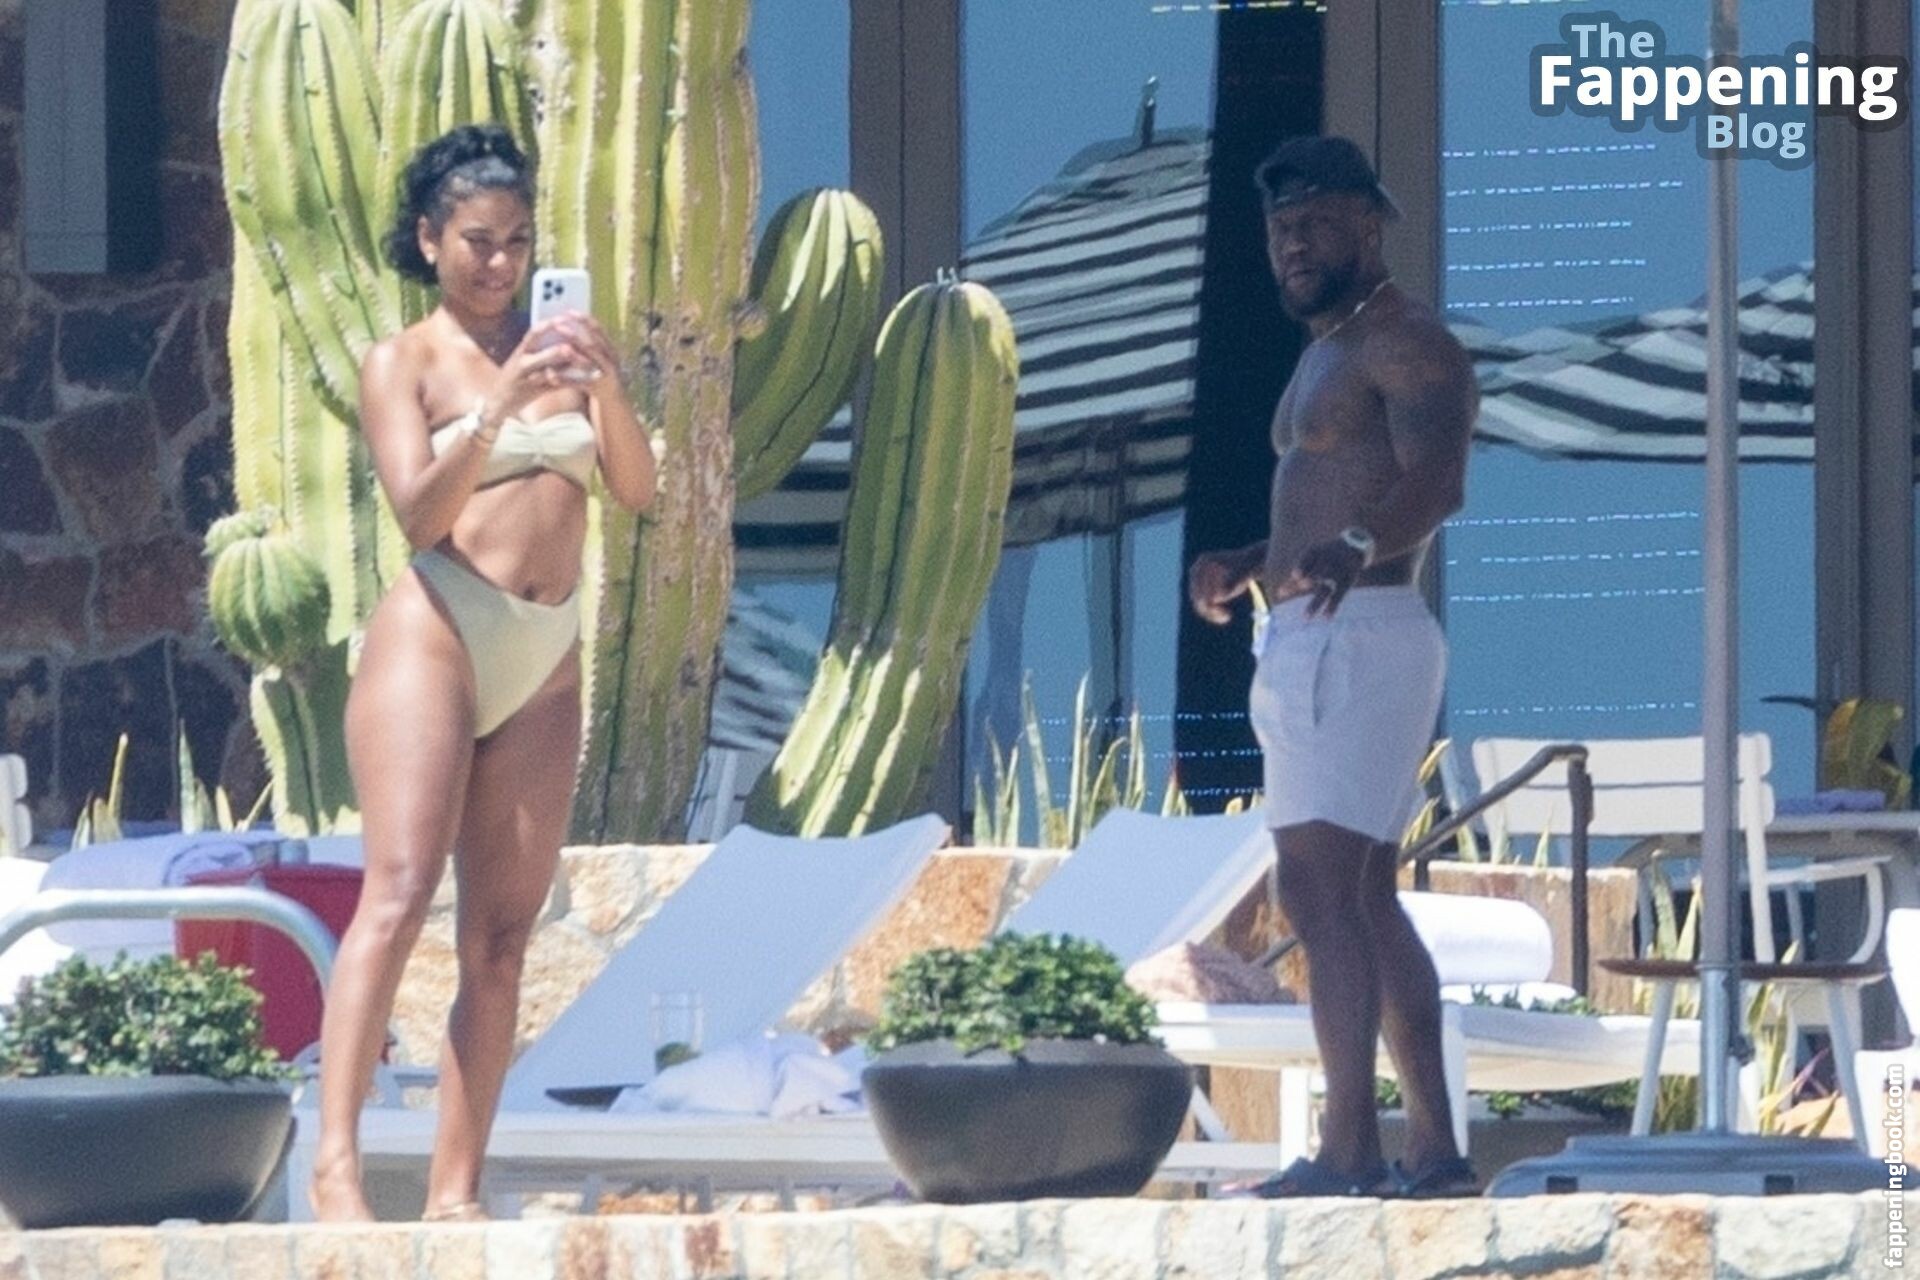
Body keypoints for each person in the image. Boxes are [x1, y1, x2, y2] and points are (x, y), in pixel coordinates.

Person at [306, 124, 657, 1222]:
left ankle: (455, 1189)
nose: (499, 263)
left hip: (544, 650)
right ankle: (336, 1164)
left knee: (502, 937)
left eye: (516, 242)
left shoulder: (563, 352)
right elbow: (419, 514)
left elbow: (637, 491)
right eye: (476, 242)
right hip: (440, 632)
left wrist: (603, 388)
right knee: (401, 891)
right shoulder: (403, 362)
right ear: (429, 240)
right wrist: (500, 405)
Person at [1187, 135, 1480, 1199]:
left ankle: (1349, 1149)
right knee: (1360, 892)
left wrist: (1357, 547)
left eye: (1314, 222)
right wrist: (1250, 560)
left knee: (1314, 889)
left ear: (1370, 221)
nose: (1293, 245)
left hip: (1362, 634)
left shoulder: (1408, 341)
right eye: (1280, 229)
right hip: (1319, 634)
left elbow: (1436, 481)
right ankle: (1435, 1151)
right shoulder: (1330, 349)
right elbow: (1330, 498)